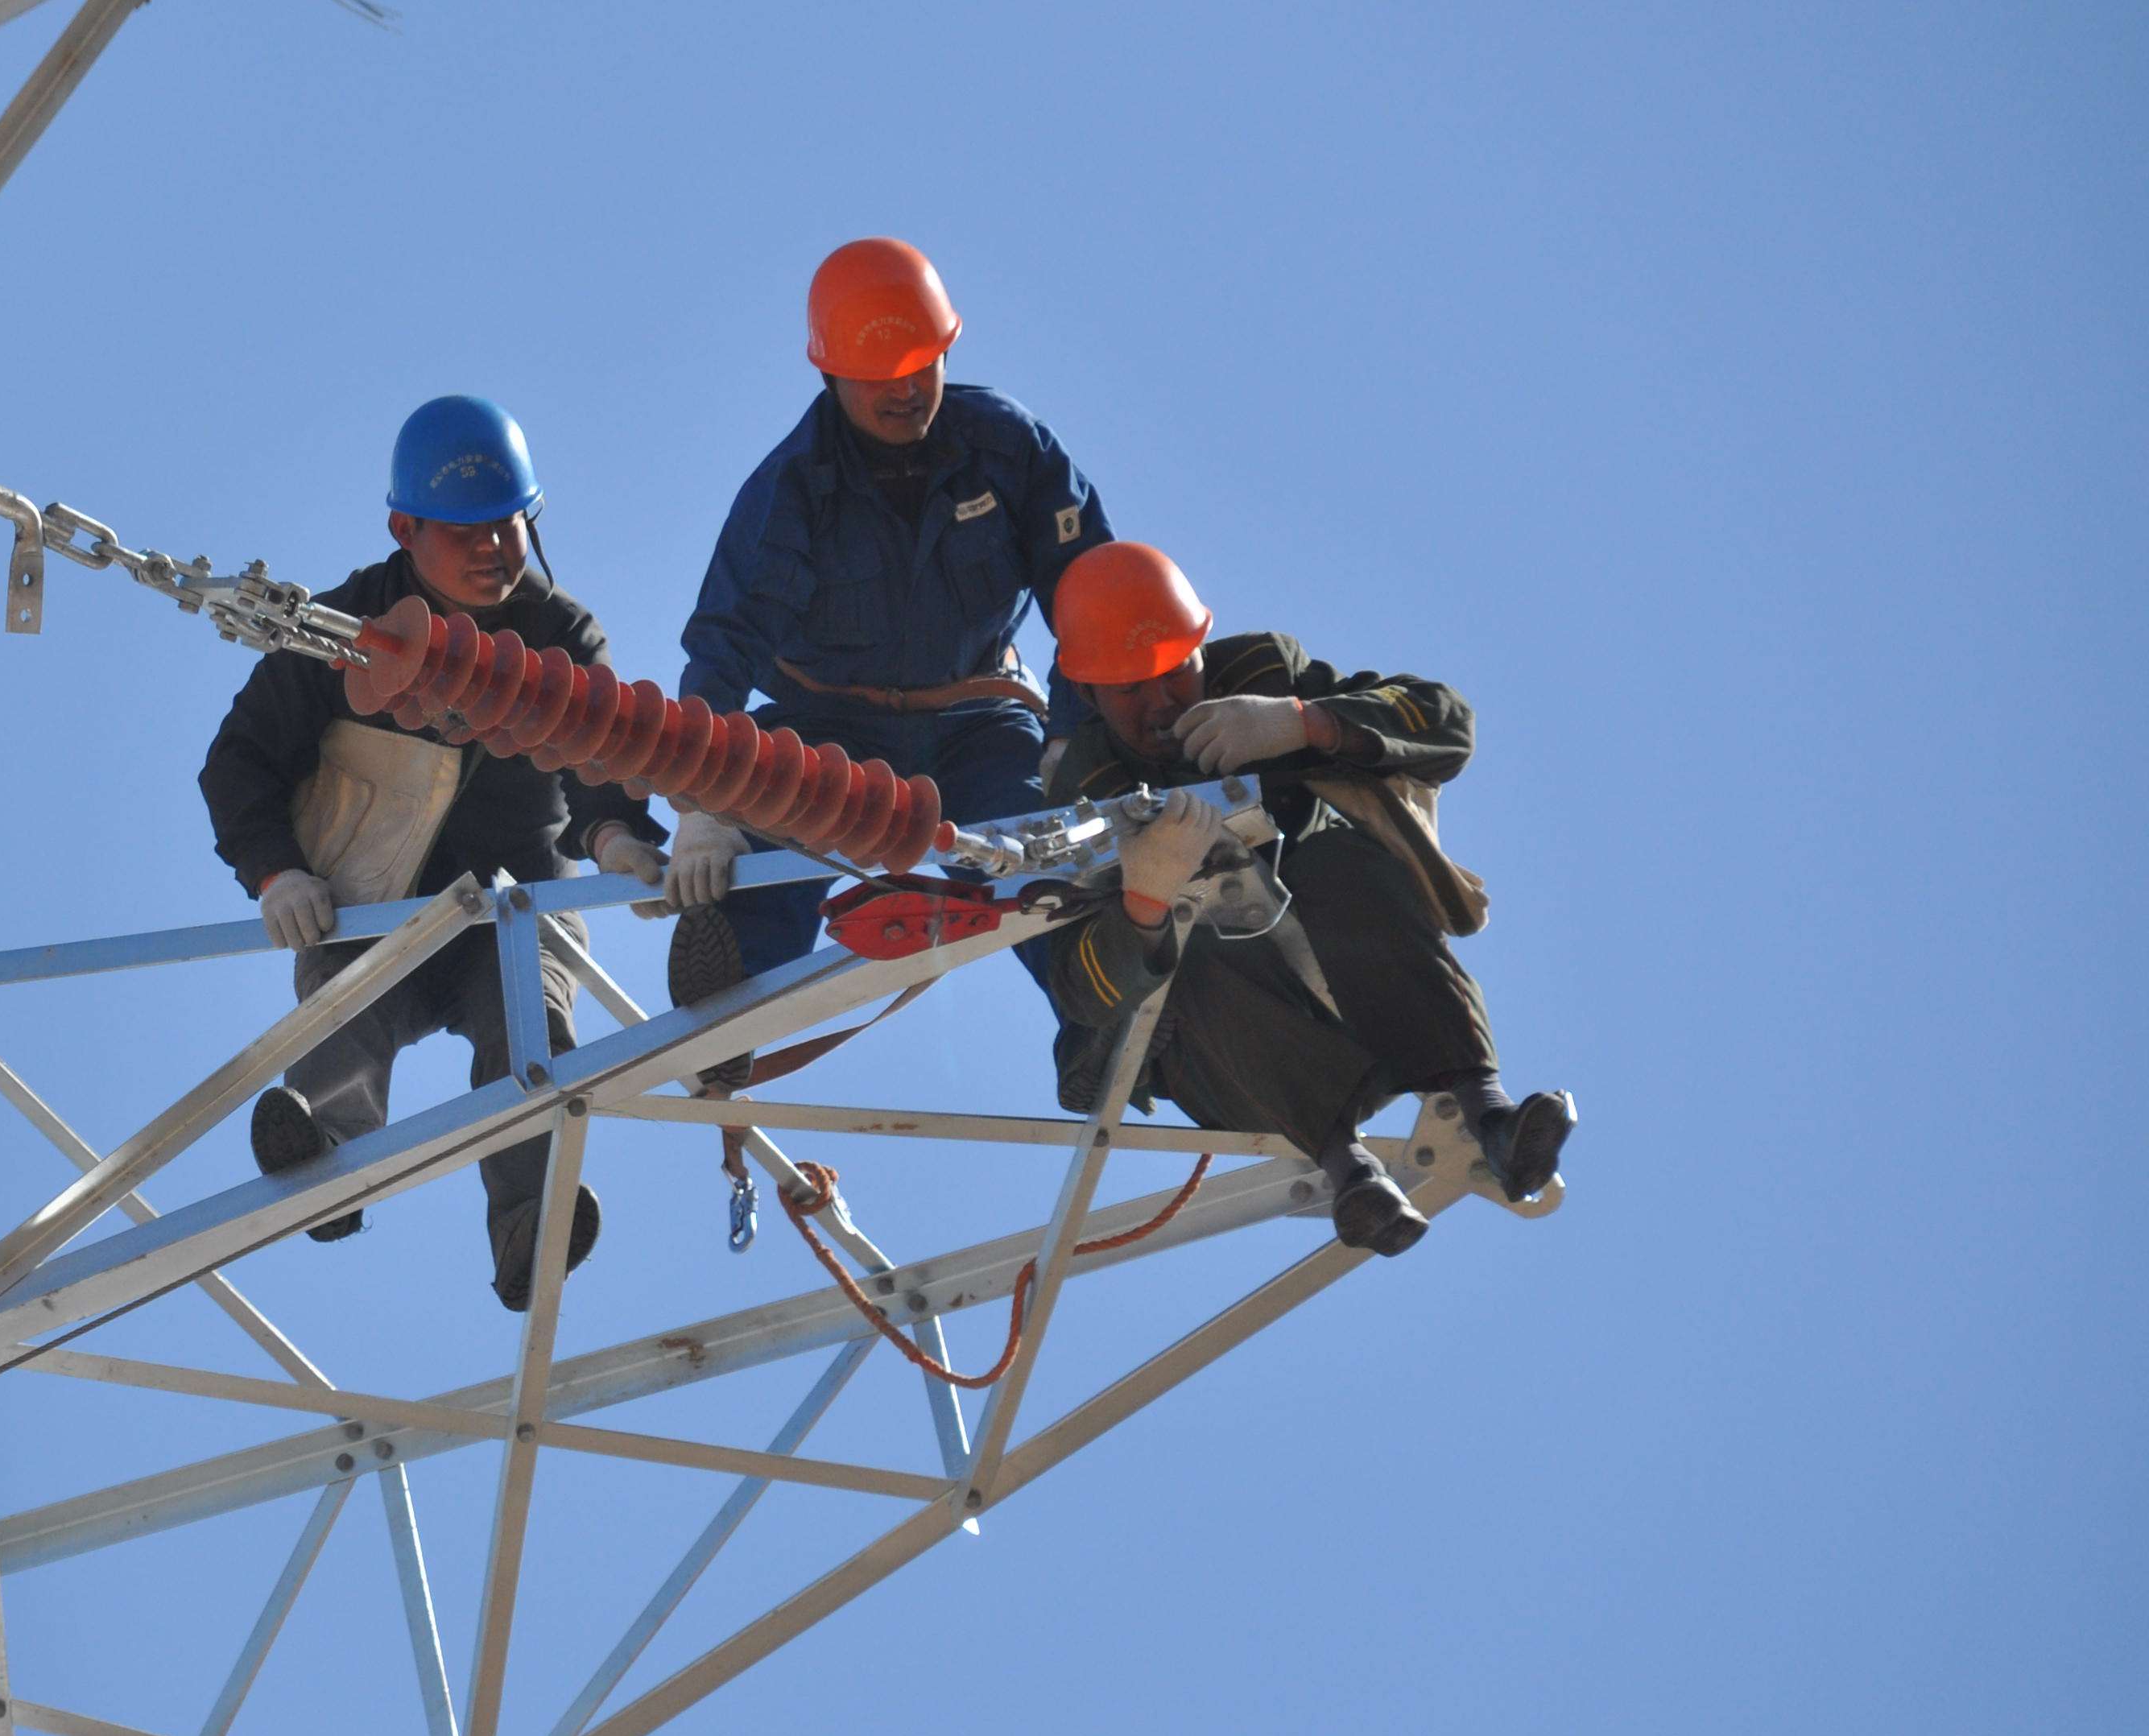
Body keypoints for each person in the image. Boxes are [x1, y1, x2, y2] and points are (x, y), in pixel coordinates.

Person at [200, 395, 668, 1310]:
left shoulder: (560, 638)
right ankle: (327, 1161)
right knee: (344, 1011)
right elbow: (238, 763)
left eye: (509, 524)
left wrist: (613, 834)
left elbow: (602, 754)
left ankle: (532, 1226)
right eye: (467, 531)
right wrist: (274, 870)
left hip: (510, 909)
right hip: (368, 906)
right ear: (404, 529)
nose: (495, 548)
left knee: (530, 1029)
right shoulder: (340, 634)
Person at [1027, 539, 1576, 1254]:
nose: (1163, 704)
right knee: (1193, 950)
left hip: (1355, 977)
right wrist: (1145, 906)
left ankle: (1491, 1115)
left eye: (1177, 672)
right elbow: (1081, 989)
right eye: (1133, 688)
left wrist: (1306, 722)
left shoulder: (1258, 672)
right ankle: (1352, 1175)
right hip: (1234, 1053)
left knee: (1342, 860)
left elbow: (1444, 722)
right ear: (1090, 691)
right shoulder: (1083, 798)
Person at [659, 238, 1110, 1078]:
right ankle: (723, 1019)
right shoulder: (788, 494)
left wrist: (1075, 734)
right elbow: (724, 645)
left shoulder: (1010, 449)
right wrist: (702, 804)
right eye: (882, 373)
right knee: (771, 847)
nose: (906, 389)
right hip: (830, 728)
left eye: (922, 364)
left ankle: (1107, 1028)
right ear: (829, 374)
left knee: (1044, 854)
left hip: (977, 723)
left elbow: (1091, 592)